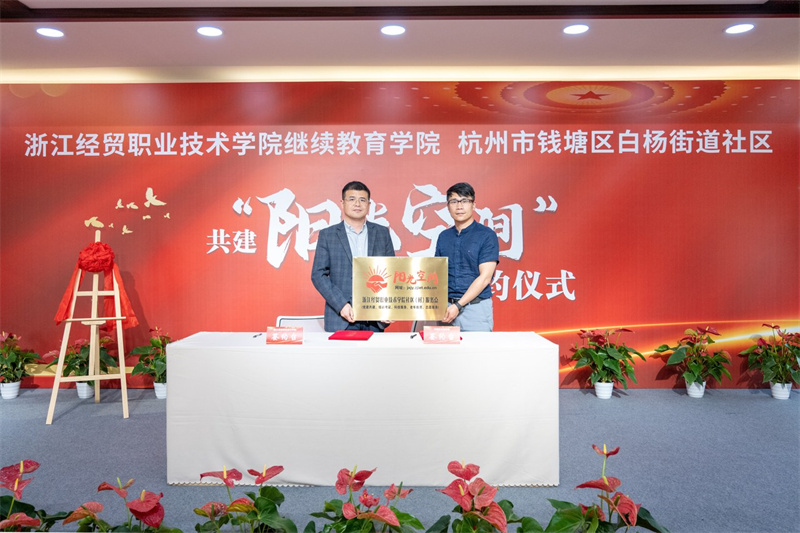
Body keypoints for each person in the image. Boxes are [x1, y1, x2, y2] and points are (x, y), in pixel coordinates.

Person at [311, 181, 395, 332]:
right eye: (352, 199)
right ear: (342, 203)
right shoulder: (328, 235)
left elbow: (391, 272)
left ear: (369, 205)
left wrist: (387, 306)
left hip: (375, 318)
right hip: (341, 318)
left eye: (362, 200)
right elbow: (318, 275)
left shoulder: (382, 233)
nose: (357, 204)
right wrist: (341, 304)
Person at [434, 182, 500, 331]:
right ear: (448, 206)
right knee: (444, 348)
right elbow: (437, 275)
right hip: (446, 310)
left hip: (475, 310)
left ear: (473, 205)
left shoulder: (486, 235)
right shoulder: (443, 237)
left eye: (464, 201)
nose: (459, 206)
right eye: (454, 201)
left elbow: (485, 278)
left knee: (477, 347)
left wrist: (458, 305)